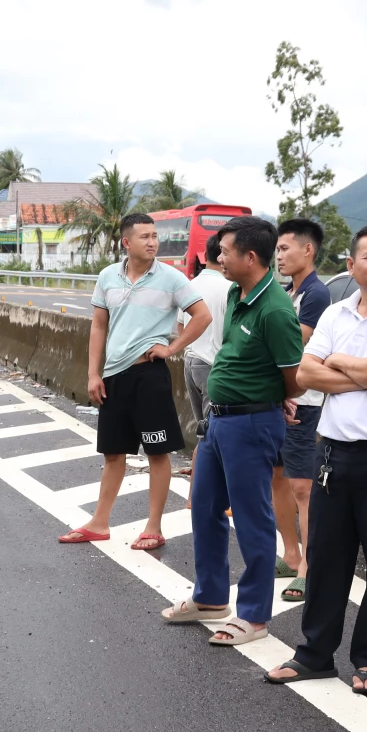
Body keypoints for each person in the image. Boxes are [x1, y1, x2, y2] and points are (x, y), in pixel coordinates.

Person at [263, 223, 367, 696]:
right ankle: (314, 654)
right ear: (351, 264)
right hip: (333, 453)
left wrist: (338, 362)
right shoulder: (336, 314)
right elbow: (304, 373)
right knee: (326, 557)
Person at [160, 216, 303, 646]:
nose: (218, 258)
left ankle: (255, 615)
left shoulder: (275, 309)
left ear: (250, 257)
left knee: (252, 517)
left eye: (225, 251)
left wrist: (275, 397)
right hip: (219, 421)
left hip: (251, 423)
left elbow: (293, 377)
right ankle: (209, 598)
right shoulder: (240, 295)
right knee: (204, 507)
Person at [60, 213, 211, 551]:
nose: (153, 242)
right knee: (113, 453)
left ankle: (154, 527)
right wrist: (93, 373)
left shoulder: (171, 278)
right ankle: (99, 523)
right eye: (144, 236)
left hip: (149, 375)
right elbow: (99, 326)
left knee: (158, 452)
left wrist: (172, 347)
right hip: (113, 376)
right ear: (127, 243)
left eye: (155, 236)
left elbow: (202, 316)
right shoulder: (107, 277)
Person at [273, 217, 332, 603]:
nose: (278, 256)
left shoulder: (316, 294)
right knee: (276, 478)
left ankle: (309, 566)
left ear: (307, 250)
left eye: (284, 248)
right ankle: (290, 554)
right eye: (276, 249)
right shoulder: (285, 291)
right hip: (279, 400)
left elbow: (294, 343)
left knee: (303, 488)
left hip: (306, 403)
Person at [180, 232, 232, 448]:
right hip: (213, 366)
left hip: (190, 362)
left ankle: (199, 476)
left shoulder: (189, 284)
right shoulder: (229, 288)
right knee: (216, 433)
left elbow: (181, 326)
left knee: (203, 430)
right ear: (222, 255)